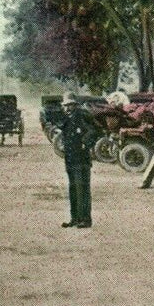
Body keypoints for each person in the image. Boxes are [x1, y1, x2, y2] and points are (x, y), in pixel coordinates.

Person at [58, 93, 98, 229]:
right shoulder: (67, 118)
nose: (68, 108)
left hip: (81, 159)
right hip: (70, 159)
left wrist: (84, 143)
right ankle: (75, 218)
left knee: (82, 189)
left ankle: (85, 220)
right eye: (66, 105)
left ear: (75, 105)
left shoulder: (82, 115)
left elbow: (94, 131)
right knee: (73, 188)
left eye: (70, 105)